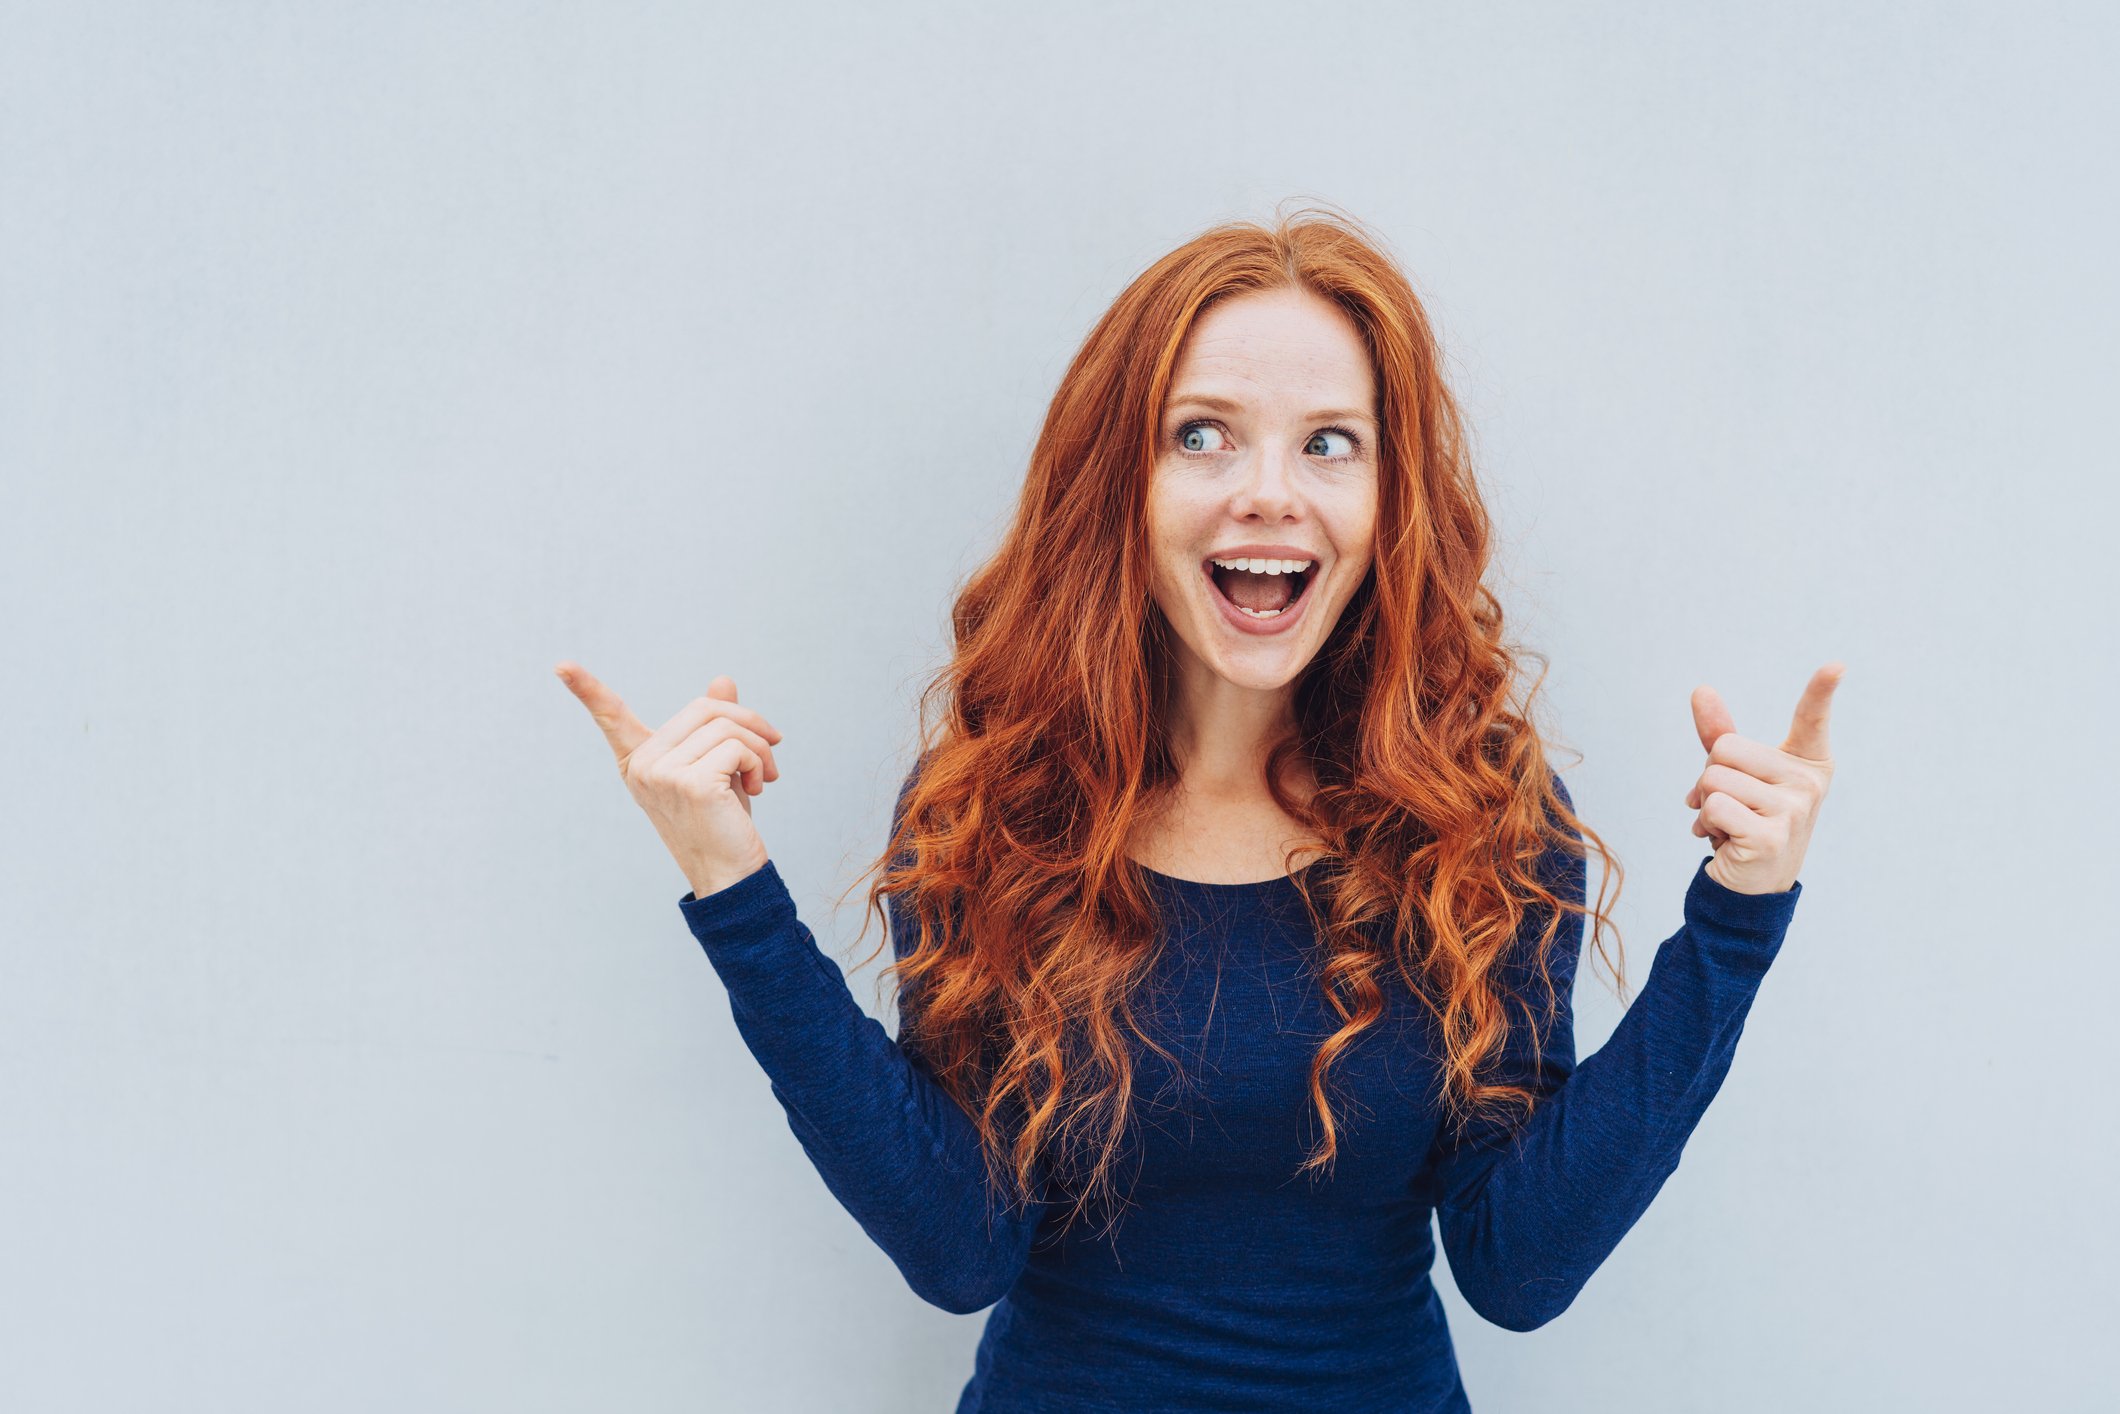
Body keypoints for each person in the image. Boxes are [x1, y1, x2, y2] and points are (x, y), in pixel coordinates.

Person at [555, 208, 1843, 1413]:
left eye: (1328, 443)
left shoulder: (1482, 817)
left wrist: (1738, 919)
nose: (1269, 491)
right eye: (1202, 435)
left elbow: (1518, 1266)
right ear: (1120, 483)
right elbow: (958, 1248)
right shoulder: (998, 808)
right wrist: (733, 889)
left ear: (1390, 502)